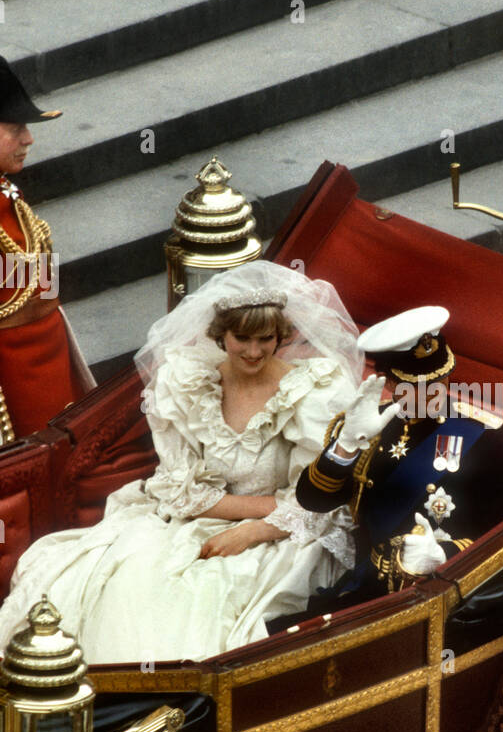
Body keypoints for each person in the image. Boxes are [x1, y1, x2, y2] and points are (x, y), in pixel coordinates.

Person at [0, 262, 363, 663]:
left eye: (266, 339)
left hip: (281, 537)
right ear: (219, 335)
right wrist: (255, 509)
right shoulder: (187, 380)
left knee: (203, 601)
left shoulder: (313, 390)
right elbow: (179, 488)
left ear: (282, 336)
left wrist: (252, 531)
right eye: (242, 338)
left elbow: (318, 502)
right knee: (121, 580)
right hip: (186, 519)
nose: (255, 351)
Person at [292, 306, 503, 601]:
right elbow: (314, 501)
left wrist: (444, 554)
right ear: (389, 383)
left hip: (434, 590)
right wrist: (346, 444)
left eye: (440, 380)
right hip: (362, 581)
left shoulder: (484, 437)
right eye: (416, 386)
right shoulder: (369, 424)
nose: (433, 393)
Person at [0, 56, 90, 440]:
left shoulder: (10, 194)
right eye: (15, 128)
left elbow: (42, 285)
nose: (29, 139)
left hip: (51, 364)